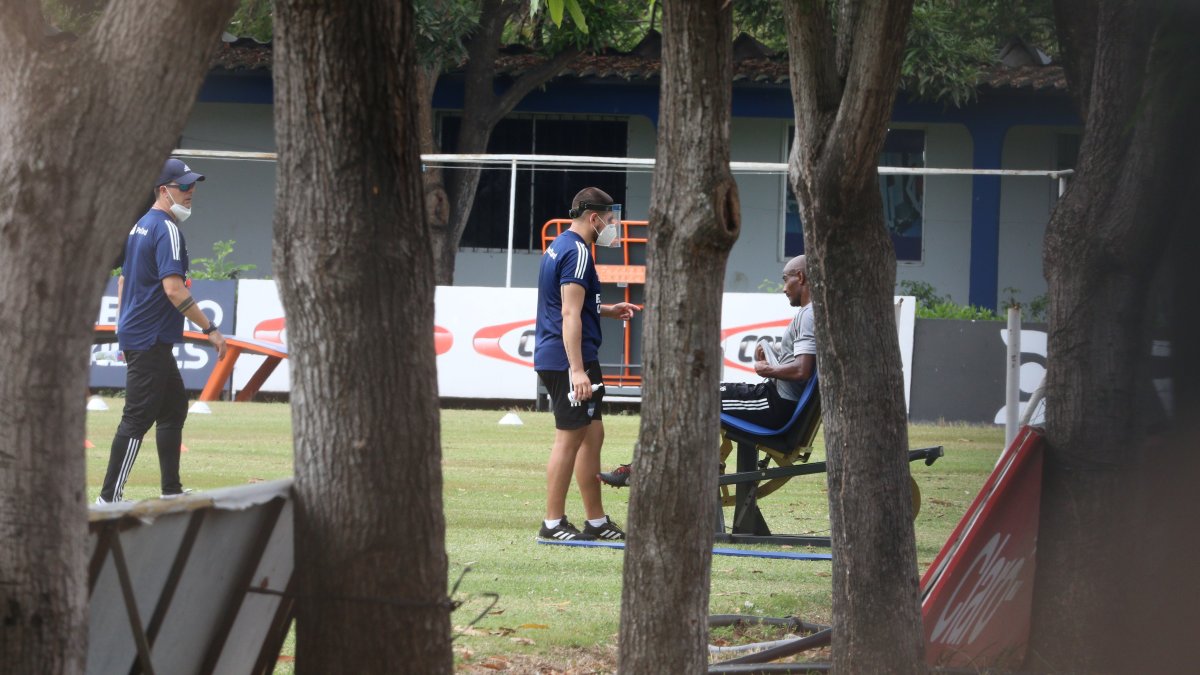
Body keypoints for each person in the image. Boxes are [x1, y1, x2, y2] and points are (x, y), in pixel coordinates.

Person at [598, 255, 815, 488]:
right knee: (693, 392)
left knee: (696, 398)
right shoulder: (809, 313)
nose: (783, 288)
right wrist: (771, 351)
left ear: (800, 277)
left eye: (785, 279)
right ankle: (659, 465)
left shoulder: (809, 314)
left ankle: (649, 469)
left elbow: (803, 369)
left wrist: (768, 368)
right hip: (770, 396)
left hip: (775, 405)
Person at [96, 159, 227, 503]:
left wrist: (123, 326)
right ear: (163, 190)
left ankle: (170, 491)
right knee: (137, 418)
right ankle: (108, 499)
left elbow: (125, 280)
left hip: (144, 335)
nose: (190, 192)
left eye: (192, 186)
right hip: (150, 336)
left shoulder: (140, 226)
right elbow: (174, 289)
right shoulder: (166, 229)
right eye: (183, 186)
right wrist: (210, 328)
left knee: (173, 409)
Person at [535, 187, 639, 540]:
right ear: (594, 218)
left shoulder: (562, 247)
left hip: (574, 356)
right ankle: (552, 523)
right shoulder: (577, 251)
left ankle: (595, 522)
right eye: (610, 220)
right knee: (570, 437)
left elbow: (570, 305)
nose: (613, 226)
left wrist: (606, 310)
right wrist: (576, 370)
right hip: (568, 360)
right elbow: (567, 313)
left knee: (592, 434)